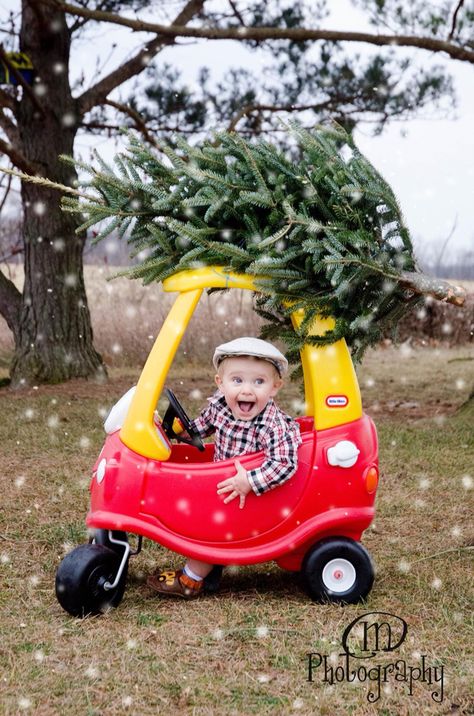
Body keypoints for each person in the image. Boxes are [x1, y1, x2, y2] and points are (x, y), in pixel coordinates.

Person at [147, 337, 302, 599]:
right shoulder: (220, 405)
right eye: (237, 380)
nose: (247, 391)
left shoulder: (272, 425)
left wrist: (251, 481)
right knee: (199, 508)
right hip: (224, 485)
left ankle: (191, 579)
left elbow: (285, 463)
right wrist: (179, 429)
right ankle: (211, 569)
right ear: (221, 383)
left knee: (209, 528)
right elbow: (199, 429)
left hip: (249, 498)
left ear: (275, 387)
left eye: (259, 382)